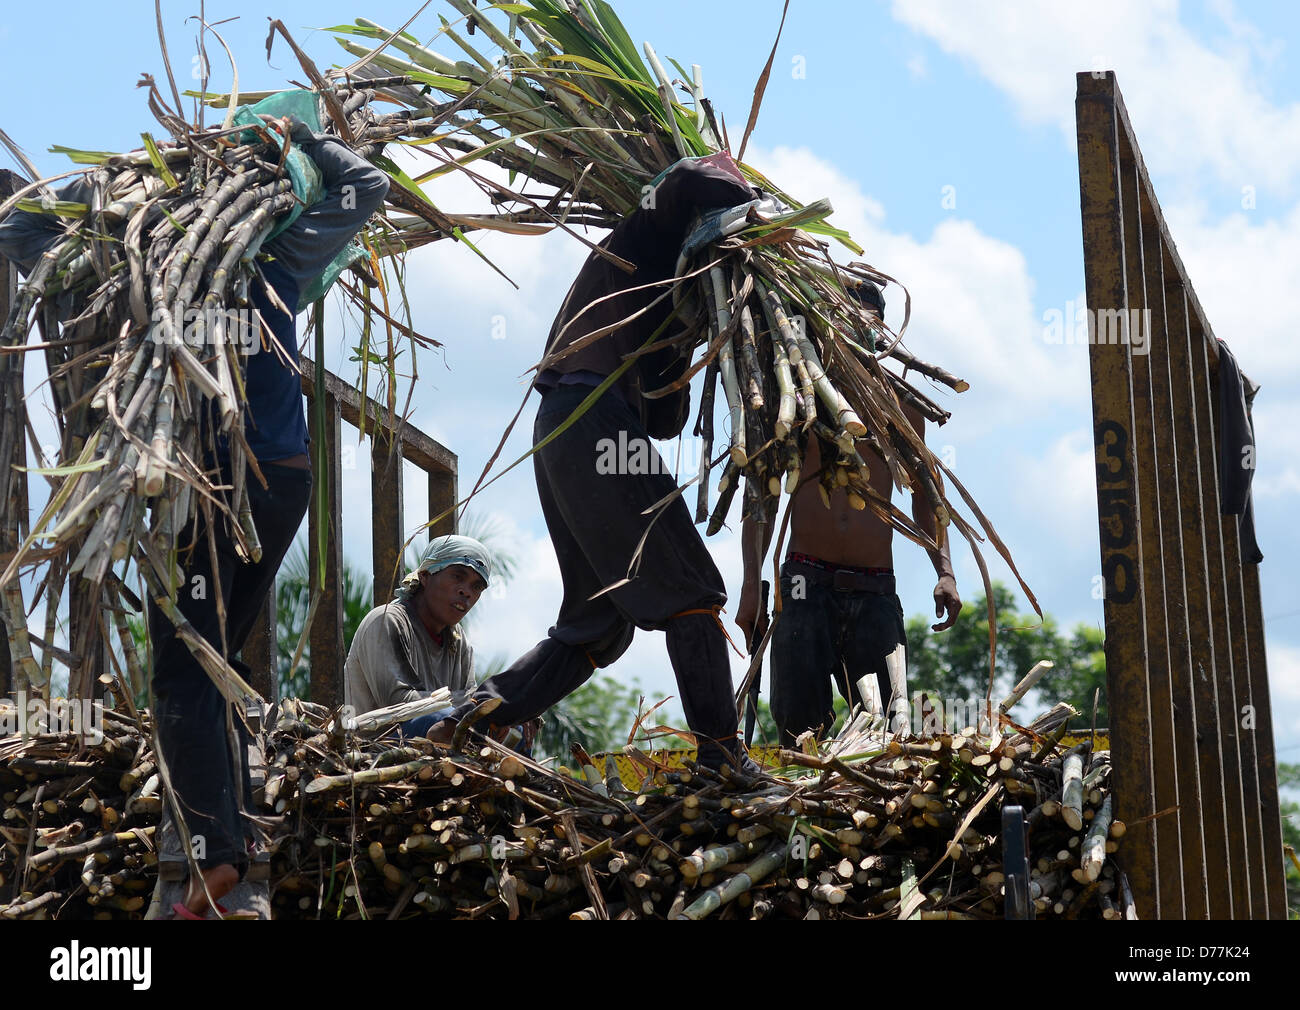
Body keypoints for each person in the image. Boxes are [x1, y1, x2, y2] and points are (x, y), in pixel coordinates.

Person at [0, 115, 390, 918]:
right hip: (273, 484)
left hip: (222, 491)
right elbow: (364, 188)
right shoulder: (277, 258)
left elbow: (20, 226)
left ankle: (217, 852)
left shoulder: (133, 265)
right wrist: (302, 145)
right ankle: (229, 832)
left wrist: (108, 192)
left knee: (183, 666)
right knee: (205, 655)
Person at [432, 155, 761, 772]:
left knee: (599, 622)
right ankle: (722, 754)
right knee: (692, 588)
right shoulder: (642, 238)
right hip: (594, 419)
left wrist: (690, 335)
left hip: (563, 431)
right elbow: (689, 176)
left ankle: (469, 715)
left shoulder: (667, 293)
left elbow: (664, 420)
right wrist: (751, 203)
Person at [736, 281, 961, 748]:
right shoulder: (794, 395)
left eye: (869, 319)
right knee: (799, 731)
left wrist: (946, 572)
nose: (859, 327)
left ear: (882, 329)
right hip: (803, 584)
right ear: (827, 324)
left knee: (884, 735)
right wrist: (750, 584)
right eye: (846, 317)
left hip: (875, 585)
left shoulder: (901, 407)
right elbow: (765, 495)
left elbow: (926, 495)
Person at [344, 535, 489, 734]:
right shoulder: (386, 621)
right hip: (377, 749)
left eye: (477, 586)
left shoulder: (459, 641)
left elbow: (470, 704)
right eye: (457, 576)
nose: (466, 592)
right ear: (425, 576)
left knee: (509, 727)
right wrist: (474, 705)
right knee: (440, 717)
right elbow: (401, 704)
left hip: (439, 751)